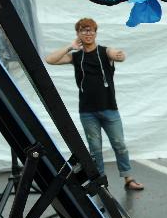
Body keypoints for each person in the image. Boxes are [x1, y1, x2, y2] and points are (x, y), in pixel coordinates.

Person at [45, 18, 143, 190]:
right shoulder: (76, 57)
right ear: (78, 34)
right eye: (83, 30)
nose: (87, 33)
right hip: (87, 112)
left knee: (119, 144)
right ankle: (100, 182)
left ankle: (128, 178)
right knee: (95, 149)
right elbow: (50, 60)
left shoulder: (104, 52)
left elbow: (117, 54)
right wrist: (70, 46)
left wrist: (119, 55)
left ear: (96, 32)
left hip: (109, 109)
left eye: (90, 30)